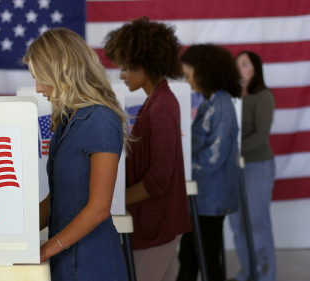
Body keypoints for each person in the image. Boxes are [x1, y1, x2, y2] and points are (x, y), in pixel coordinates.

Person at [23, 27, 131, 281]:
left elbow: (99, 209)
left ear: (62, 72)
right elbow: (55, 199)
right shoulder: (67, 120)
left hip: (93, 263)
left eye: (41, 78)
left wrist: (43, 251)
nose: (38, 88)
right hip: (65, 260)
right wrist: (15, 236)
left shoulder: (101, 119)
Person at [104, 17, 192, 281]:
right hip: (159, 223)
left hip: (159, 224)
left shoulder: (162, 107)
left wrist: (112, 203)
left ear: (146, 62)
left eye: (127, 67)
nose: (121, 74)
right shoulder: (156, 102)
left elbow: (159, 179)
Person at [177, 44, 242, 281]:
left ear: (204, 72)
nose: (187, 81)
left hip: (211, 197)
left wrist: (182, 170)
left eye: (188, 75)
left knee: (206, 259)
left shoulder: (222, 106)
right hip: (201, 196)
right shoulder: (210, 102)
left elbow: (214, 155)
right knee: (190, 257)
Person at [228, 51, 276, 281]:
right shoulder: (231, 96)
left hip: (257, 166)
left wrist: (232, 151)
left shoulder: (263, 96)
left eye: (244, 64)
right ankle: (248, 273)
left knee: (257, 223)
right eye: (237, 64)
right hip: (234, 168)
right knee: (238, 225)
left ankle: (265, 276)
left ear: (255, 69)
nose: (240, 68)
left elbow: (261, 136)